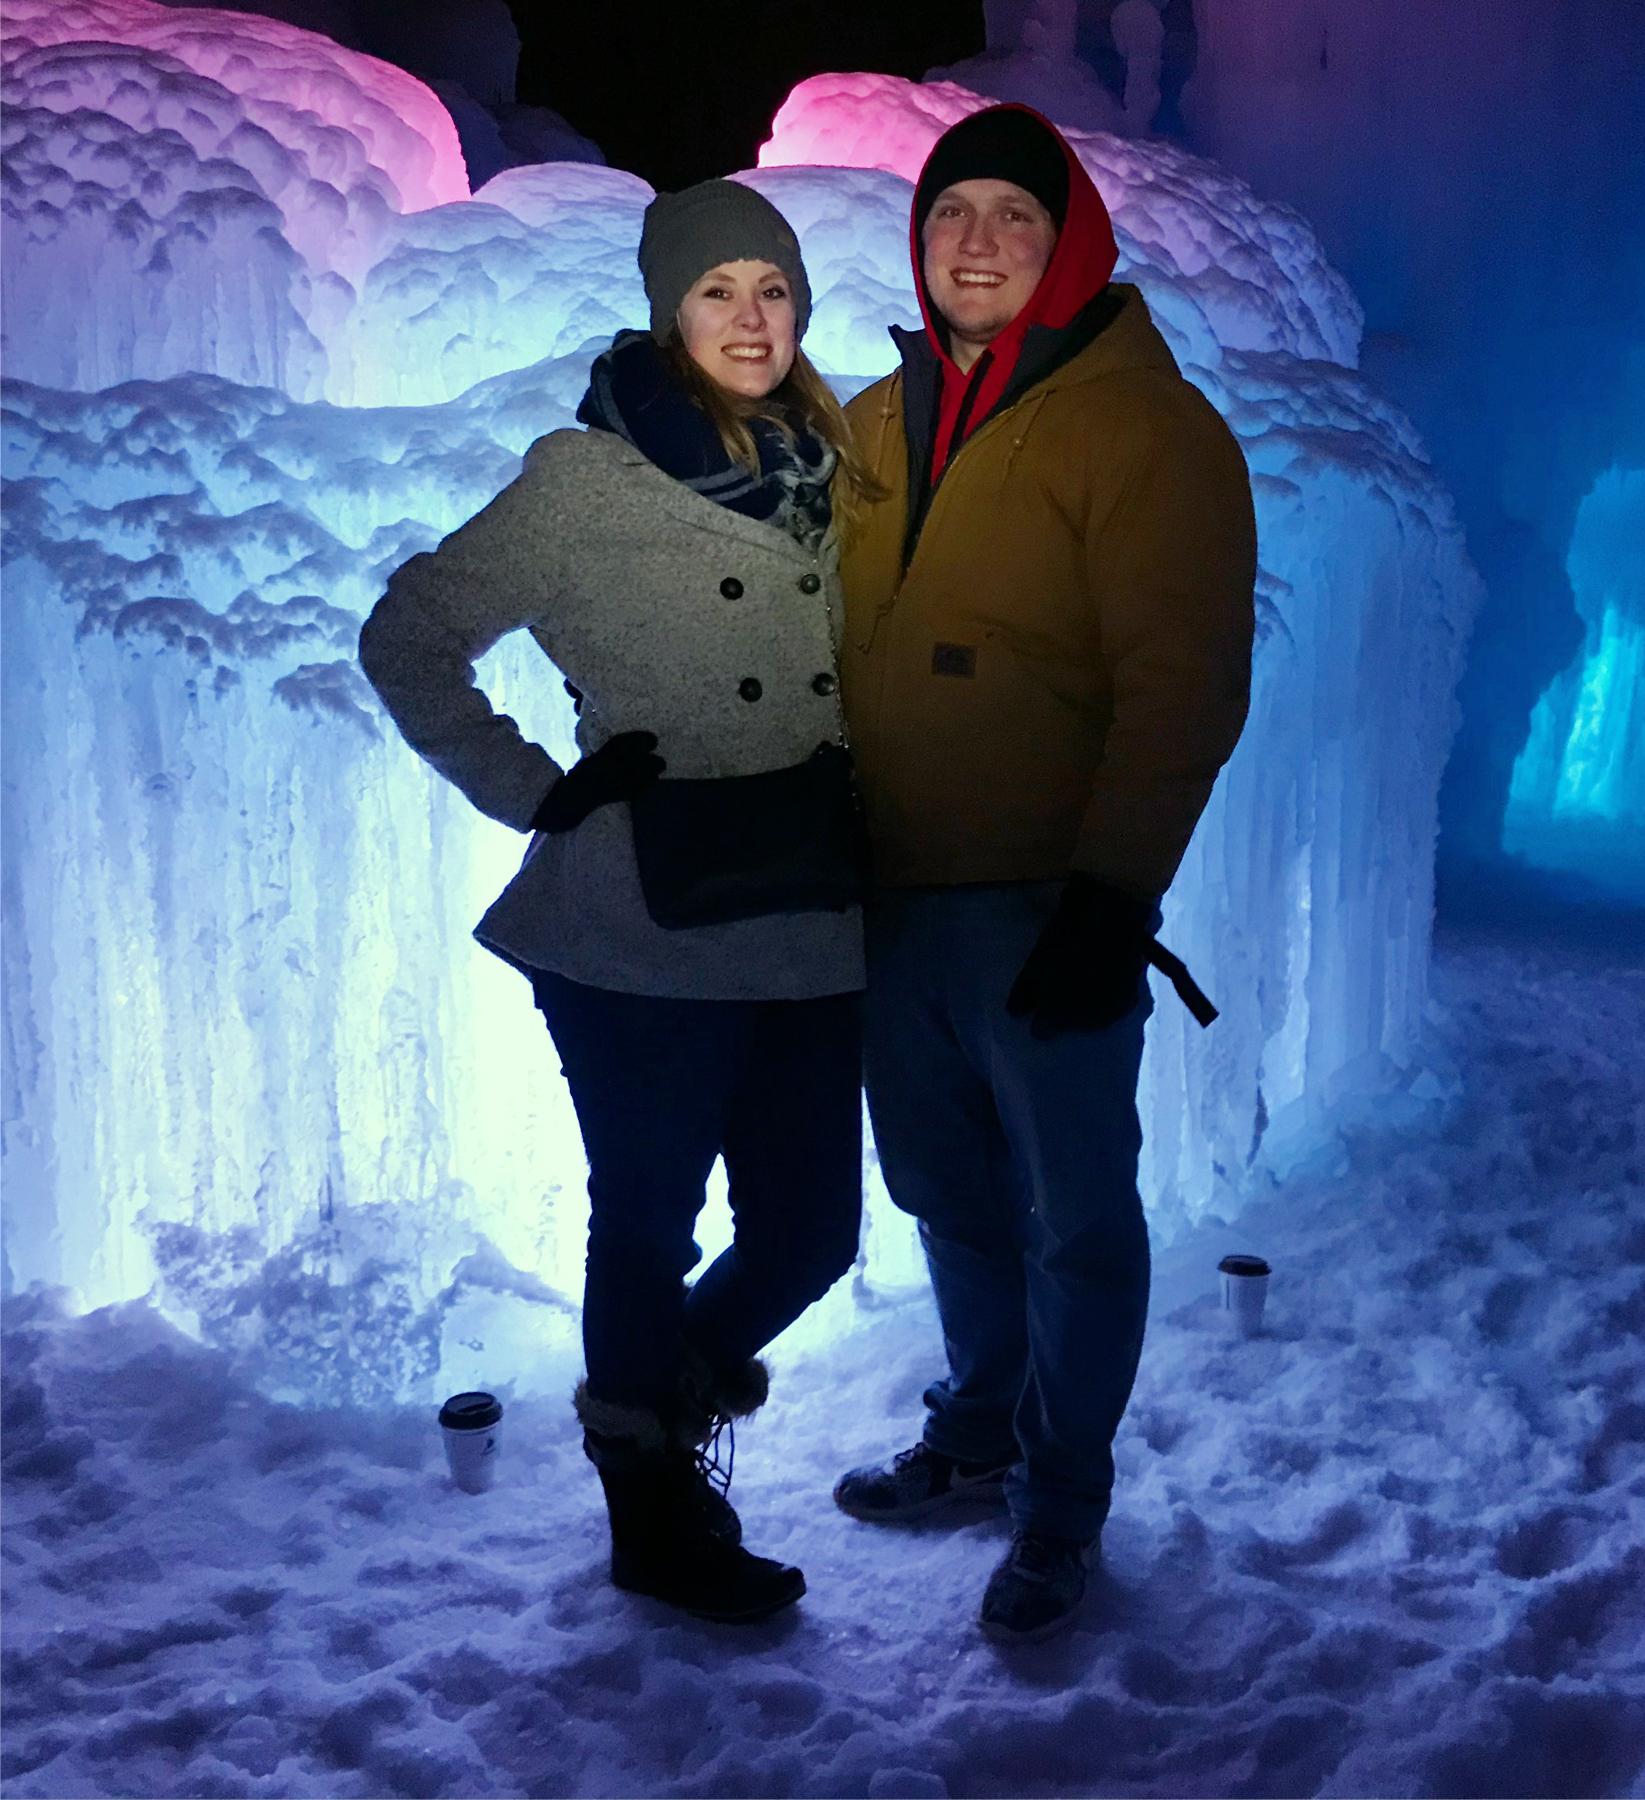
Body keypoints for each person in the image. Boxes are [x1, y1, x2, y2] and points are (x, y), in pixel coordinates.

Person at [359, 179, 878, 1625]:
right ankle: (649, 1510)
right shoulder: (584, 480)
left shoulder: (843, 467)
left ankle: (657, 1393)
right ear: (668, 309)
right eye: (716, 291)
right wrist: (533, 787)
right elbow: (410, 634)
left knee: (809, 1233)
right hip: (637, 922)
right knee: (643, 1222)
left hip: (809, 911)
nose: (748, 318)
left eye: (771, 291)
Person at [829, 104, 1258, 1642]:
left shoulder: (1147, 430)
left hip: (1043, 904)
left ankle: (1058, 1502)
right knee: (946, 1194)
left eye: (1014, 213)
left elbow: (1183, 683)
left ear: (1069, 238)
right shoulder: (878, 422)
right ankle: (975, 1435)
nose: (979, 242)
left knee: (1072, 1216)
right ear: (917, 242)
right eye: (953, 214)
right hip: (891, 899)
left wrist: (1109, 897)